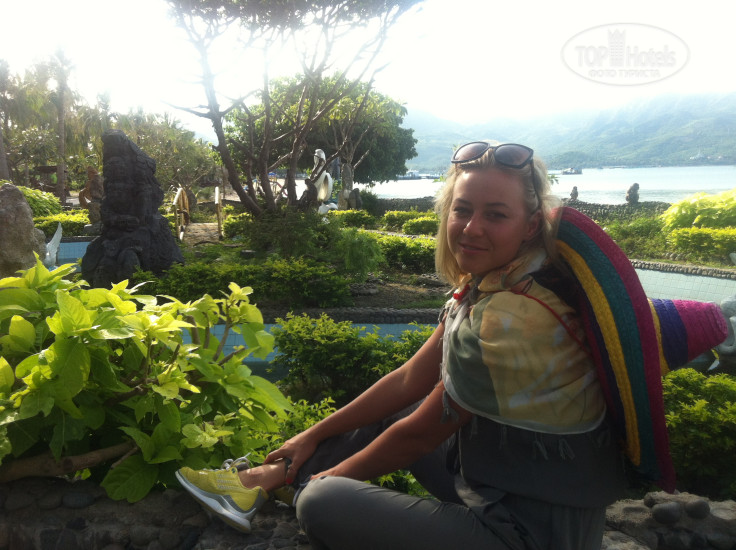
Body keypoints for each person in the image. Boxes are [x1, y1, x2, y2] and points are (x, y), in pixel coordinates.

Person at [176, 141, 630, 549]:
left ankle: (278, 484)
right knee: (395, 408)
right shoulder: (496, 283)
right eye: (462, 209)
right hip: (495, 481)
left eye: (495, 214)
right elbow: (408, 379)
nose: (471, 228)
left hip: (530, 532)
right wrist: (310, 435)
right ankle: (257, 481)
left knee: (320, 503)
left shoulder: (513, 317)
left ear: (530, 226)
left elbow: (417, 437)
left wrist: (319, 481)